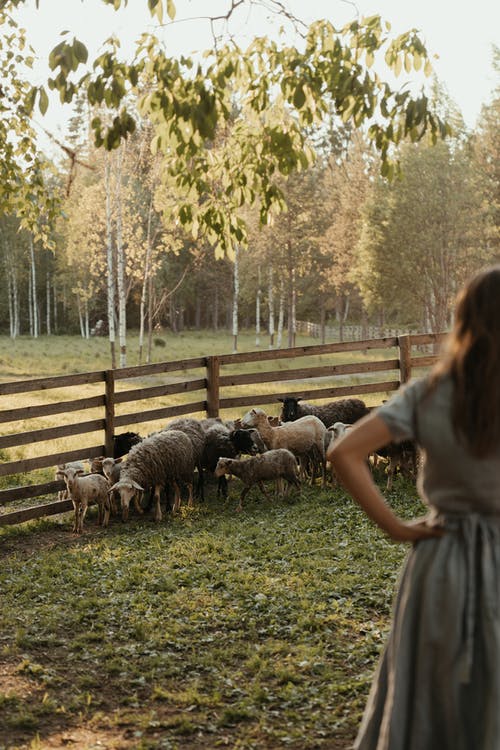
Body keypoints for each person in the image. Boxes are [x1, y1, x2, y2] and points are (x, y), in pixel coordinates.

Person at [327, 265, 500, 750]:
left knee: (430, 697)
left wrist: (396, 528)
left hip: (441, 565)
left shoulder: (430, 393)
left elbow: (344, 450)